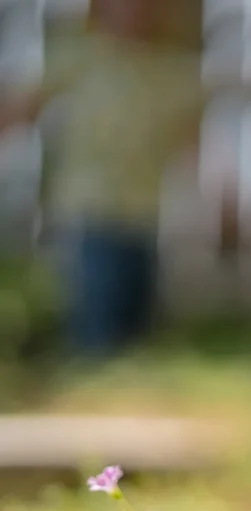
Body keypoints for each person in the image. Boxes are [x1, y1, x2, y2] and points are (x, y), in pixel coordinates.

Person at [0, 0, 209, 355]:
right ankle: (88, 385)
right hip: (90, 210)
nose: (132, 14)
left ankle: (121, 393)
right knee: (99, 319)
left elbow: (193, 145)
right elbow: (20, 108)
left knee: (136, 321)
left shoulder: (171, 74)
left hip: (145, 213)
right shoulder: (82, 60)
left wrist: (212, 199)